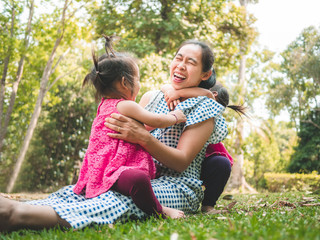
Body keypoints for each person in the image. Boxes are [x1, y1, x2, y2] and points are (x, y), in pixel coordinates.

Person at [0, 39, 228, 232]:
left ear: (205, 73)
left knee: (119, 199)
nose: (181, 65)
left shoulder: (204, 108)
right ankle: (23, 206)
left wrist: (143, 138)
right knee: (84, 190)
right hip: (141, 175)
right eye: (178, 58)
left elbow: (181, 161)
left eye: (191, 62)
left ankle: (18, 216)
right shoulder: (152, 97)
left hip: (177, 187)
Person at [73, 35, 186, 219]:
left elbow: (144, 125)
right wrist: (174, 117)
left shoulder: (103, 106)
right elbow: (154, 121)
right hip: (115, 171)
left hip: (102, 171)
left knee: (137, 179)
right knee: (139, 179)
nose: (139, 84)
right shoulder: (126, 105)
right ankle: (160, 211)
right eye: (138, 78)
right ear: (125, 83)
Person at [161, 81, 247, 212]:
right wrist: (169, 89)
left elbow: (205, 94)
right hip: (181, 163)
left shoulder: (208, 105)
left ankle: (208, 205)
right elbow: (166, 86)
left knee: (221, 163)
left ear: (214, 95)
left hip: (203, 162)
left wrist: (174, 91)